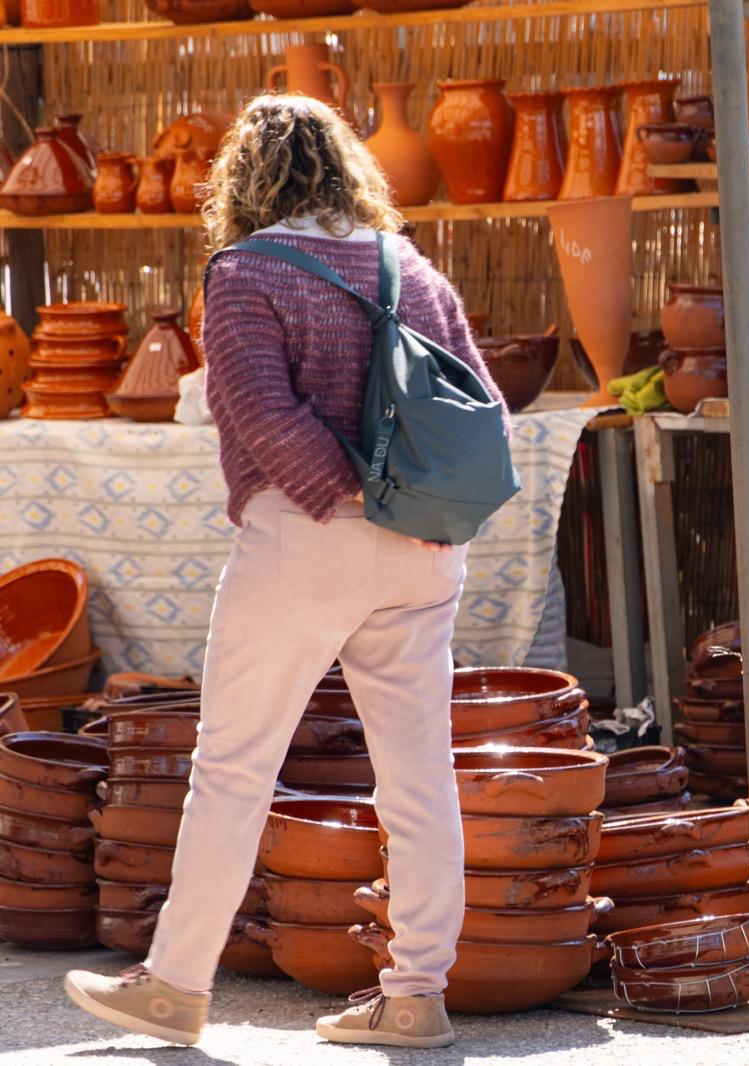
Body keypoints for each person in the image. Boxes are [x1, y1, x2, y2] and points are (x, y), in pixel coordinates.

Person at [62, 95, 510, 1047]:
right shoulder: (409, 266)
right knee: (419, 775)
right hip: (428, 543)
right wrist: (405, 505)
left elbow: (260, 414)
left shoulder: (245, 272)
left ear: (245, 181)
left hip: (312, 536)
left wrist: (346, 500)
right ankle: (416, 994)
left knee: (233, 767)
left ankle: (175, 986)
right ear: (348, 168)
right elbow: (487, 412)